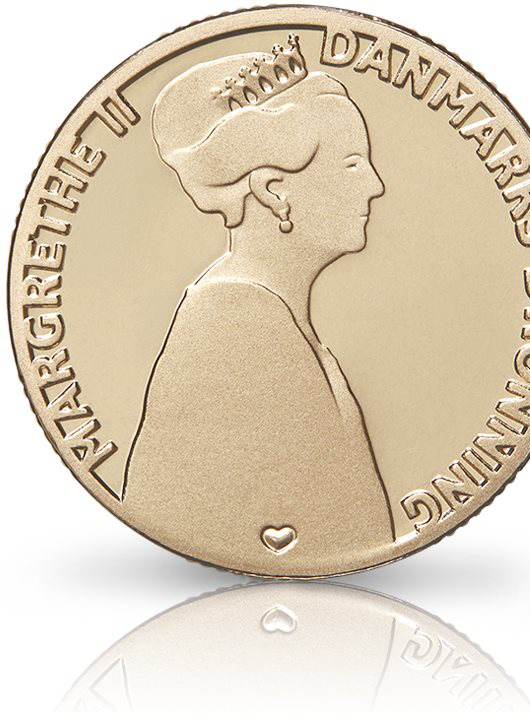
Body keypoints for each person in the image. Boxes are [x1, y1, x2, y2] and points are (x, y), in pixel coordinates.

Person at [123, 36, 394, 576]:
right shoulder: (240, 323)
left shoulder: (269, 317)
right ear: (274, 191)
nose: (375, 186)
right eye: (352, 165)